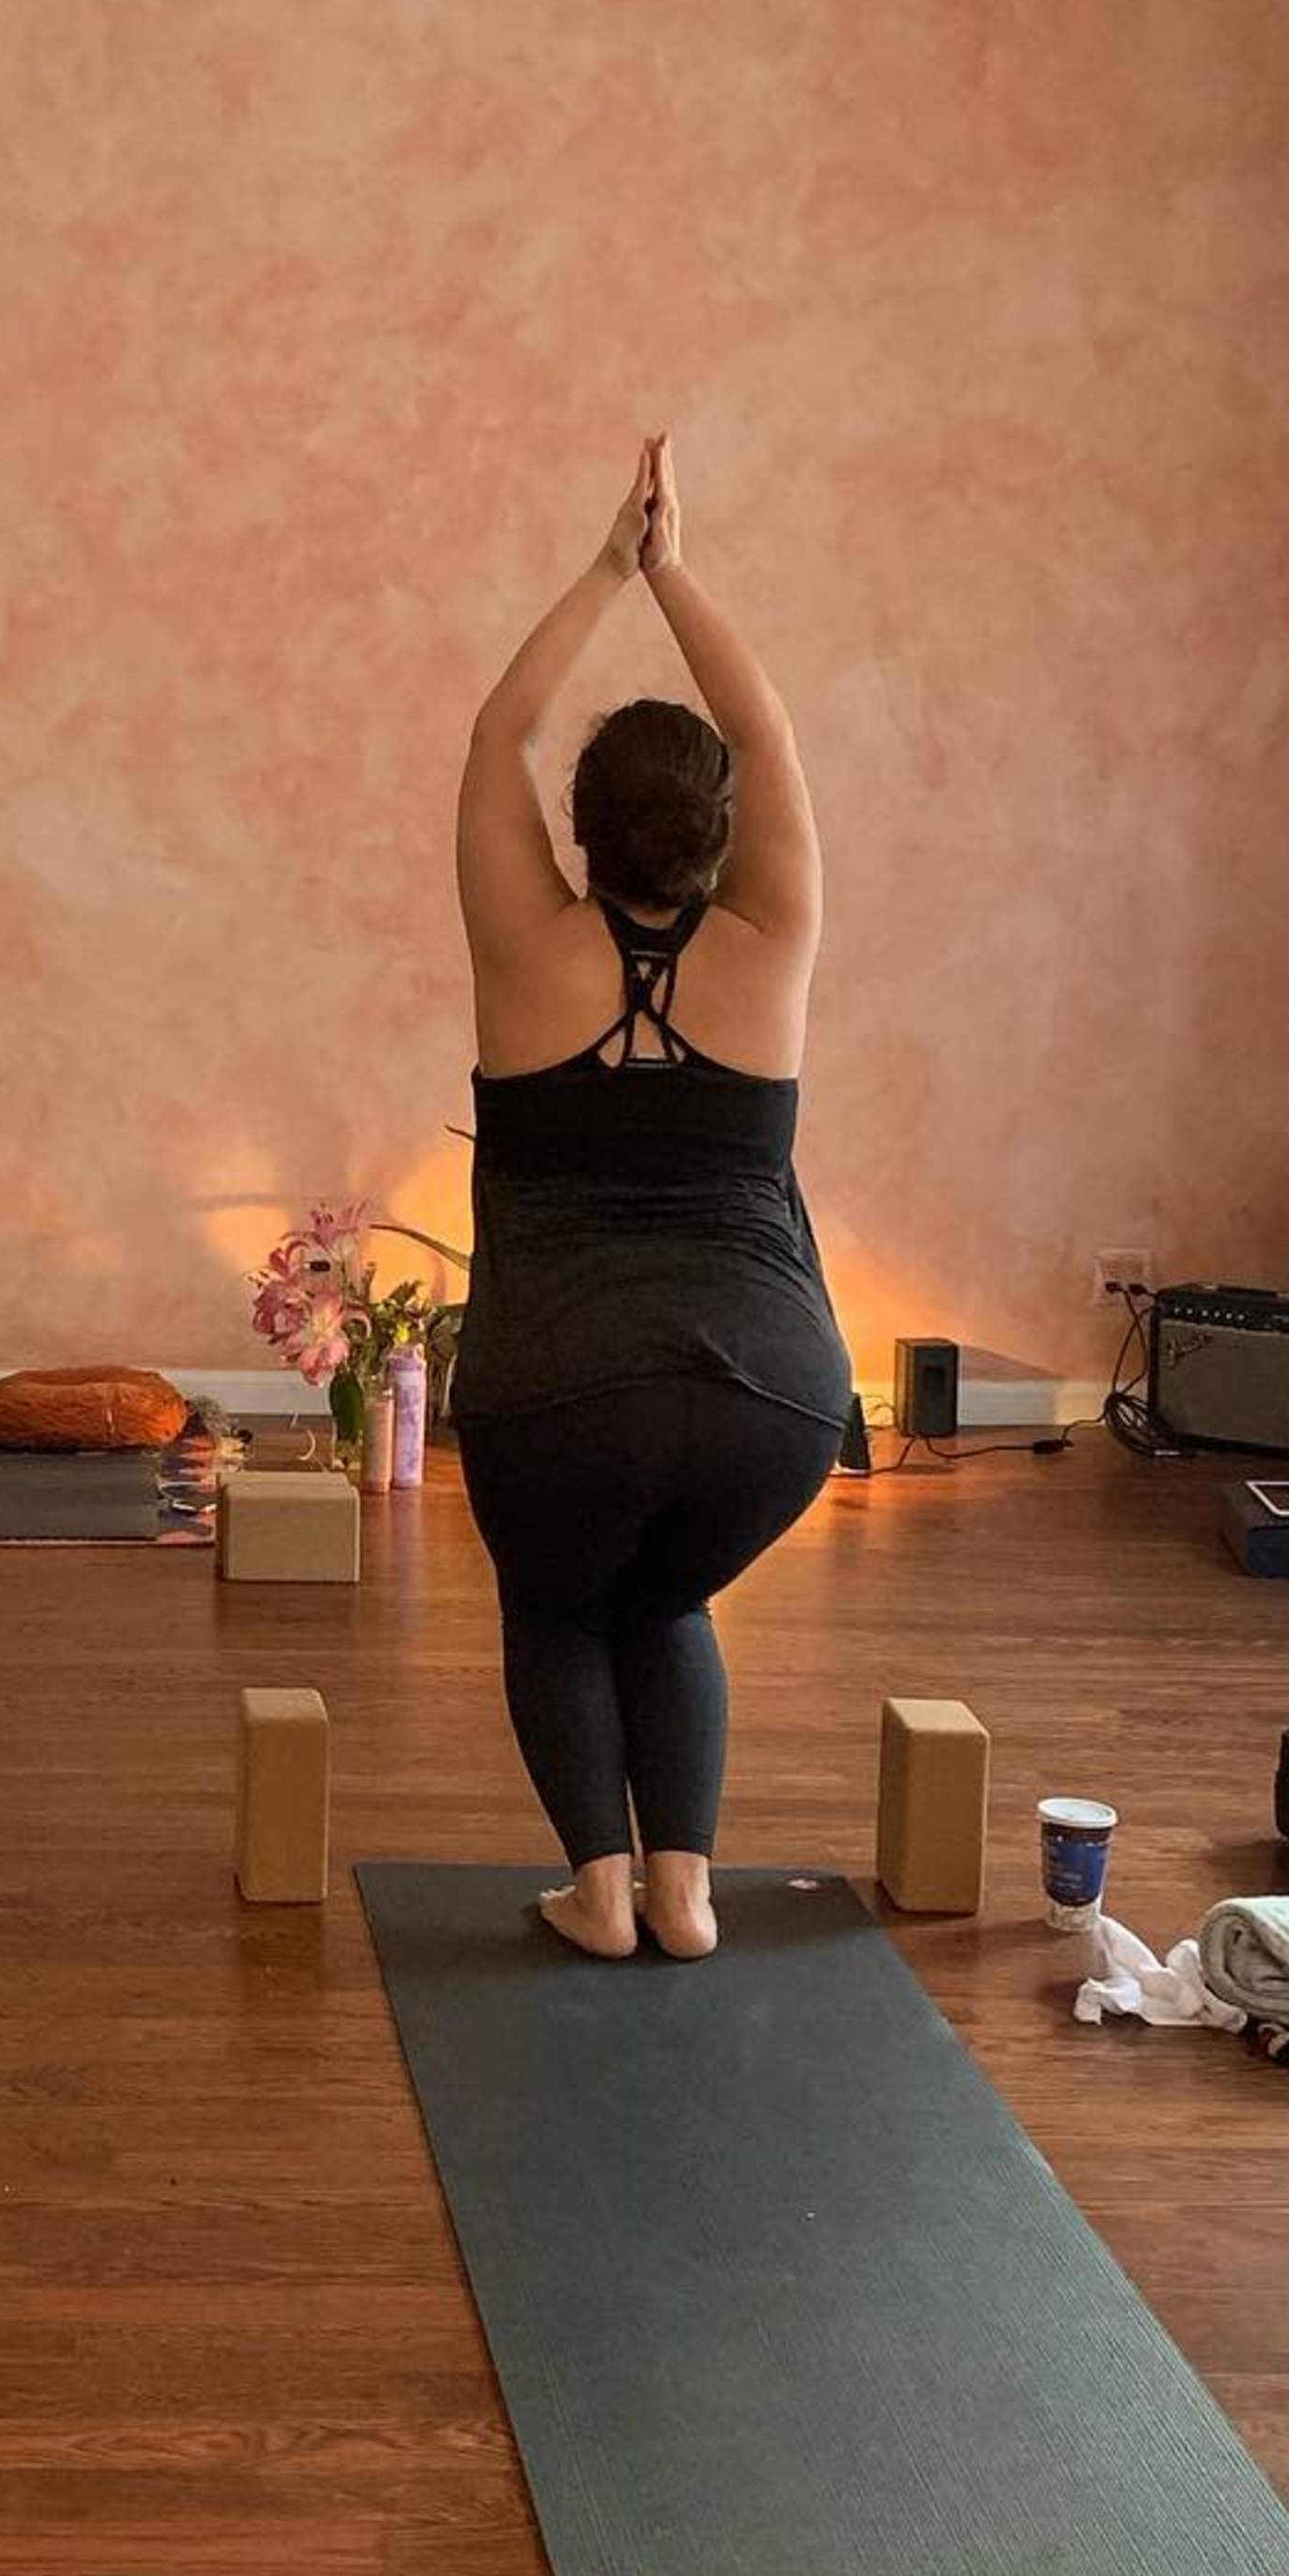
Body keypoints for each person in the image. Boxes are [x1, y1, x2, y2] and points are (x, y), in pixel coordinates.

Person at [445, 430, 849, 1959]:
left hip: (562, 1390)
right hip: (777, 1403)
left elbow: (500, 729)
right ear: (721, 830)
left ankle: (600, 1894)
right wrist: (679, 575)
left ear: (581, 829)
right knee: (666, 1602)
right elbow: (768, 731)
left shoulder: (525, 949)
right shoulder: (773, 943)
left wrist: (611, 564)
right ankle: (685, 1895)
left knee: (558, 1602)